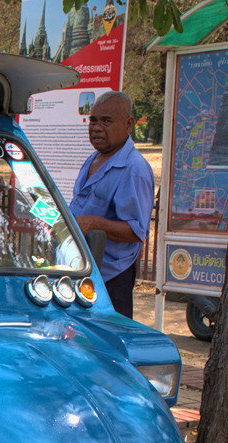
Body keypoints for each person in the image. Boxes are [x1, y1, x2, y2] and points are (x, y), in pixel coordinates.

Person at [69, 90, 154, 319]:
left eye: (106, 121)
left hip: (111, 278)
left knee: (107, 345)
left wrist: (95, 223)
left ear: (128, 124)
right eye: (93, 120)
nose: (96, 128)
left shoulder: (134, 169)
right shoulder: (93, 159)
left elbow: (137, 231)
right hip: (83, 271)